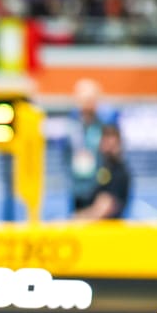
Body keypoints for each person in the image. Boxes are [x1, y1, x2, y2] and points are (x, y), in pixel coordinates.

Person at [62, 78, 115, 213]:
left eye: (91, 100)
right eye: (85, 100)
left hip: (99, 188)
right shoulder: (71, 126)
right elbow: (66, 156)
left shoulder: (105, 126)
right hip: (77, 188)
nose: (88, 105)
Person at [72, 123, 130, 219]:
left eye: (111, 144)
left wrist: (78, 219)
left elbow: (104, 208)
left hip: (106, 231)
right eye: (104, 141)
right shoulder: (102, 168)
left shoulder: (119, 173)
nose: (106, 146)